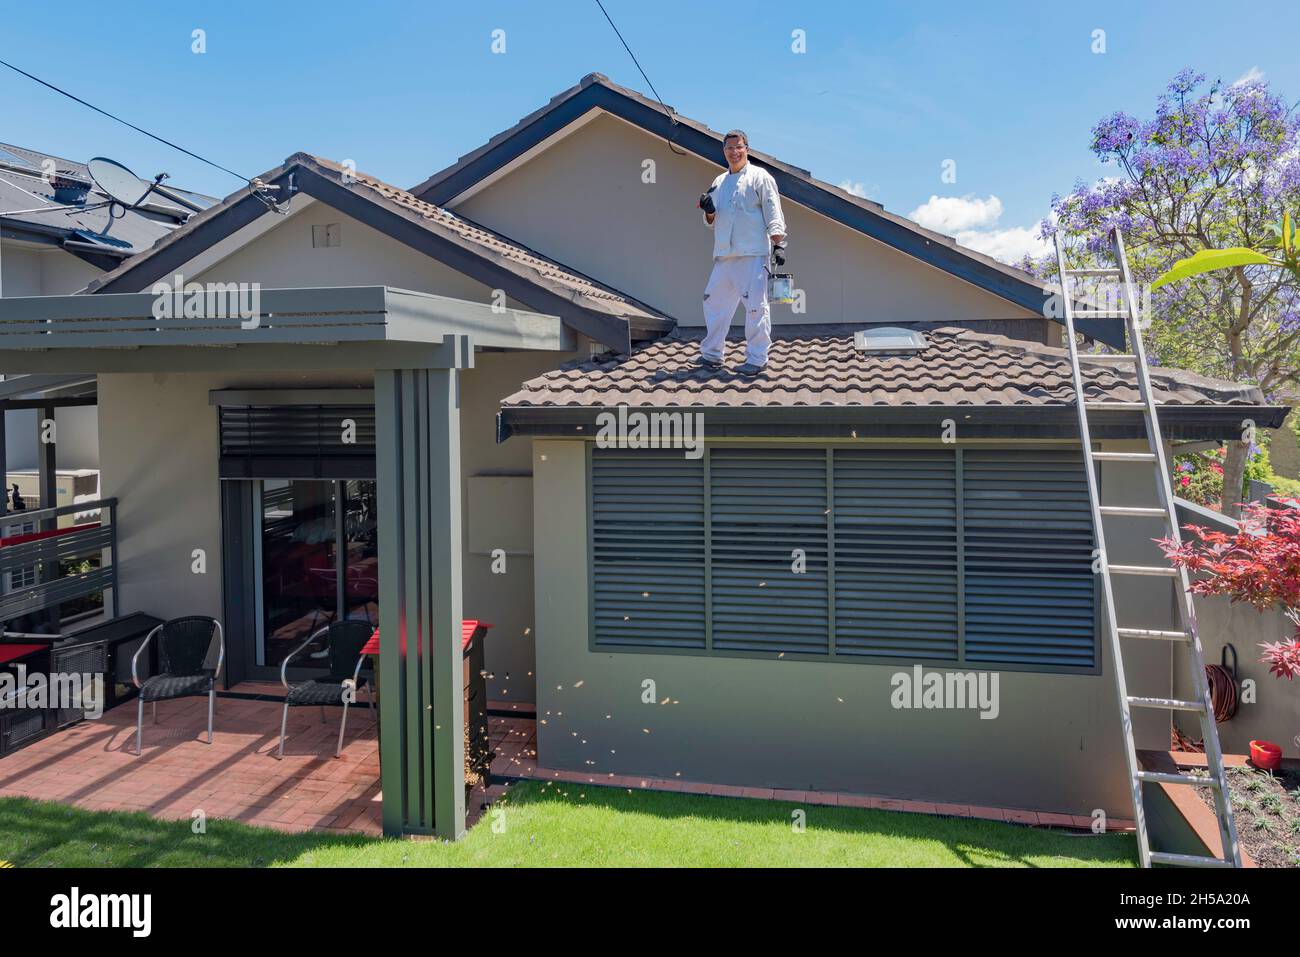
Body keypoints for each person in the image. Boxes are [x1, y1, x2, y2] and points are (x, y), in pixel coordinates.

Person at [697, 130, 787, 375]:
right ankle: (712, 354)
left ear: (747, 148)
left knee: (756, 307)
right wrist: (708, 210)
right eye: (729, 148)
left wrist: (778, 244)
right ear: (724, 151)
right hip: (724, 254)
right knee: (714, 303)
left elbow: (773, 211)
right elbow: (711, 220)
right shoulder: (718, 182)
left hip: (753, 254)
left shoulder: (761, 177)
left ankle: (757, 359)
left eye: (738, 147)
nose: (734, 152)